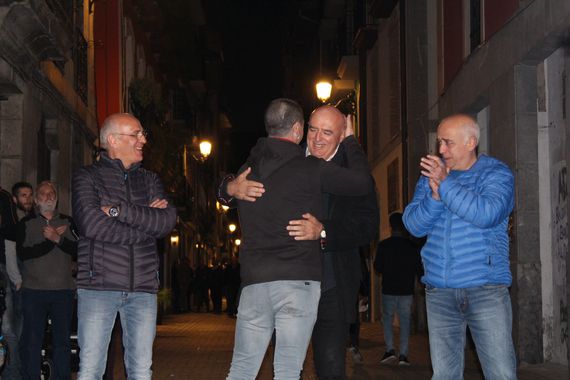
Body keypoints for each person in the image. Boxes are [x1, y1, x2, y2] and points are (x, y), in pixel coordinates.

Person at [221, 105, 379, 379]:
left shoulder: (352, 170)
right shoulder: (281, 162)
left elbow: (368, 227)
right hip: (289, 281)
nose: (317, 138)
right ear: (300, 129)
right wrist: (228, 188)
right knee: (283, 366)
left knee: (328, 368)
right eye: (313, 129)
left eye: (327, 132)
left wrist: (324, 232)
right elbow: (237, 177)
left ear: (342, 136)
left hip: (330, 284)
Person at [403, 114, 516, 379]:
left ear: (471, 142)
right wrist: (433, 196)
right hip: (440, 291)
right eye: (439, 143)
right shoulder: (431, 177)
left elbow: (486, 214)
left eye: (448, 143)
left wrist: (446, 184)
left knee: (500, 372)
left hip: (485, 288)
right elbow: (414, 225)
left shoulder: (497, 173)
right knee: (444, 375)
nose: (441, 150)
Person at [72, 113, 177, 380]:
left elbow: (165, 222)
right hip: (98, 288)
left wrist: (119, 211)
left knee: (141, 371)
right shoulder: (87, 177)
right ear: (113, 140)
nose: (143, 140)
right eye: (136, 134)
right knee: (91, 370)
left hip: (142, 290)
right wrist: (145, 226)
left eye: (143, 134)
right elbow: (91, 226)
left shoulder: (150, 180)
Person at [17, 181, 77, 380]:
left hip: (63, 292)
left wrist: (59, 239)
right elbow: (24, 253)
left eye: (52, 193)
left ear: (57, 198)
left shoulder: (68, 222)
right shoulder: (26, 223)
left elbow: (80, 250)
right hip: (34, 292)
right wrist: (50, 241)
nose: (48, 196)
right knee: (32, 341)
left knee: (62, 342)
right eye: (43, 193)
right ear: (36, 200)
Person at [373, 212, 422, 366]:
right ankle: (403, 354)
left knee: (387, 319)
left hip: (388, 288)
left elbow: (377, 267)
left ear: (391, 226)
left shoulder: (383, 245)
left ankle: (389, 350)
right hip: (406, 289)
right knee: (405, 321)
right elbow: (418, 268)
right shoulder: (412, 247)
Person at [1, 181, 33, 380]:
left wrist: (16, 277)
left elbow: (10, 241)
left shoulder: (4, 199)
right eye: (23, 195)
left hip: (8, 272)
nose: (27, 199)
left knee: (9, 327)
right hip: (10, 272)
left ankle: (13, 374)